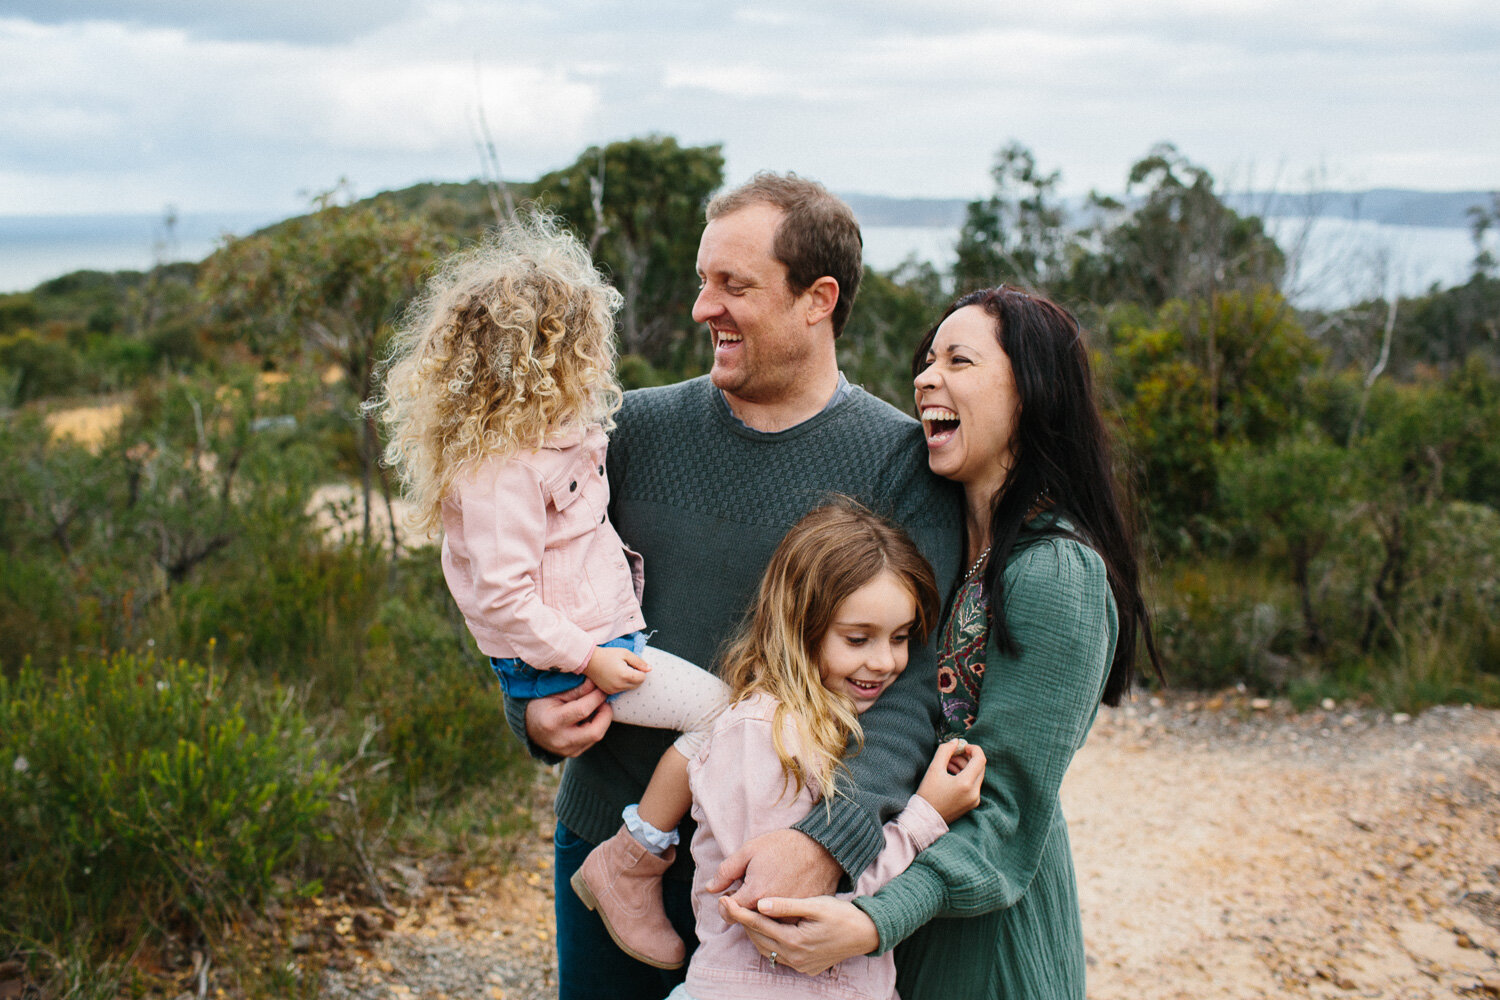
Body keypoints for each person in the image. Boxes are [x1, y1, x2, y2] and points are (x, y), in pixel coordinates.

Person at [502, 173, 964, 1000]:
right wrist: (528, 706)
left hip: (782, 865)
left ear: (818, 299)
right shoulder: (631, 430)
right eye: (701, 281)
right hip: (611, 835)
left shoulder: (901, 464)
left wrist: (831, 839)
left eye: (733, 286)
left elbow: (917, 682)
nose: (701, 308)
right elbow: (522, 578)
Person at [722, 286, 1165, 999]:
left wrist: (872, 920)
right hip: (907, 930)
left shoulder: (1056, 570)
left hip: (987, 948)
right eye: (928, 360)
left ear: (1034, 394)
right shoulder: (952, 543)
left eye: (960, 361)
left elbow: (1010, 810)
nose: (927, 377)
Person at [372, 216, 729, 969]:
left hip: (589, 645)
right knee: (723, 717)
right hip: (574, 658)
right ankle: (634, 862)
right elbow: (502, 598)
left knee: (722, 720)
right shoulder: (500, 466)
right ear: (546, 357)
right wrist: (590, 660)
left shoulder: (549, 437)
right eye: (583, 346)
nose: (597, 362)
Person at [672, 500, 985, 1000]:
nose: (884, 662)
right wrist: (925, 819)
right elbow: (790, 908)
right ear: (801, 625)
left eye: (901, 638)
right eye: (858, 639)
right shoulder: (761, 733)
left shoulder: (851, 730)